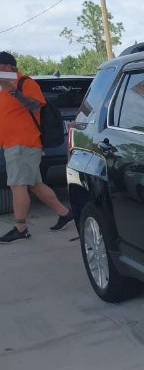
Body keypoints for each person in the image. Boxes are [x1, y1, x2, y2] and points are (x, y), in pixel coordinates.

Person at [0, 51, 74, 243]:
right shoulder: (2, 88)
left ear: (8, 67)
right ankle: (65, 213)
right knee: (35, 184)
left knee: (17, 186)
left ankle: (20, 227)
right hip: (12, 144)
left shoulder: (25, 83)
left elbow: (35, 105)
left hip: (23, 144)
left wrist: (13, 90)